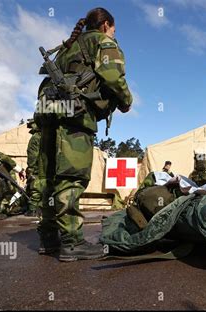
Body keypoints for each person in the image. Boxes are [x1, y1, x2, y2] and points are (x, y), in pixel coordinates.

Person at [33, 7, 133, 261]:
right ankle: (72, 242)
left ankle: (49, 238)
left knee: (48, 177)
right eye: (113, 29)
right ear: (105, 25)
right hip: (75, 118)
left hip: (49, 115)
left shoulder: (67, 48)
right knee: (71, 178)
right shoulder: (103, 42)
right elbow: (112, 76)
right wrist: (126, 100)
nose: (113, 34)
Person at [25, 120, 42, 217]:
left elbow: (33, 155)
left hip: (37, 167)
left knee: (34, 186)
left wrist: (31, 168)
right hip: (48, 167)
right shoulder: (48, 136)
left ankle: (32, 209)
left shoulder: (35, 138)